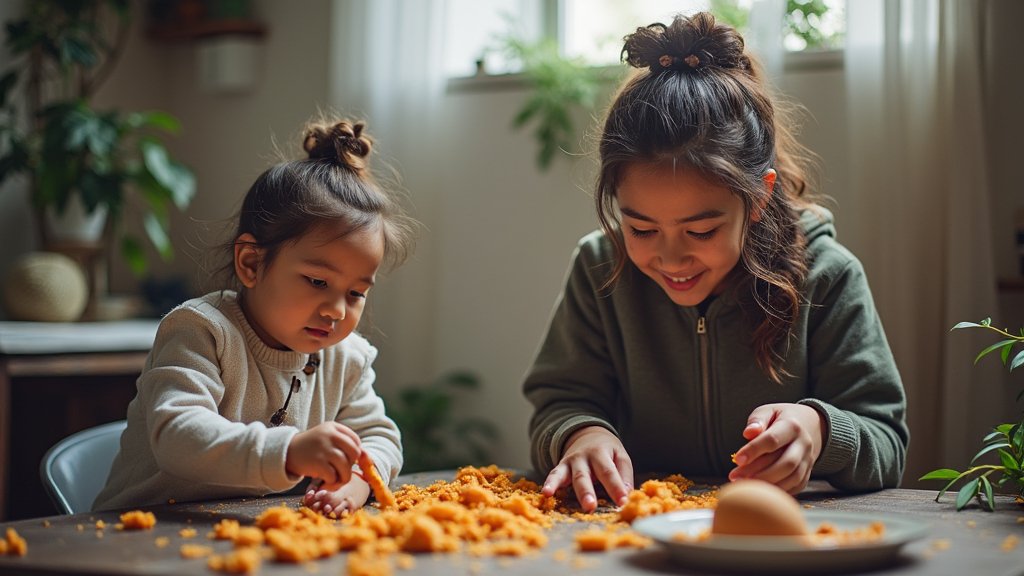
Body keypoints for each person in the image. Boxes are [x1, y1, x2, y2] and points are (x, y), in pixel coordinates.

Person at [523, 12, 908, 512]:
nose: (670, 256)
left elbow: (886, 439)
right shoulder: (600, 268)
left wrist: (819, 429)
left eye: (701, 230)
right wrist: (580, 435)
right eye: (640, 228)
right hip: (634, 534)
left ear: (758, 198)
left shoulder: (828, 275)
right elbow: (558, 401)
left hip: (778, 541)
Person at [93, 119, 416, 516]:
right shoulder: (201, 331)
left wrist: (357, 482)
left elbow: (380, 437)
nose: (336, 309)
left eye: (355, 293)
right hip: (138, 533)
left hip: (248, 536)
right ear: (251, 263)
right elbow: (176, 435)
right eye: (317, 281)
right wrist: (289, 452)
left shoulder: (345, 358)